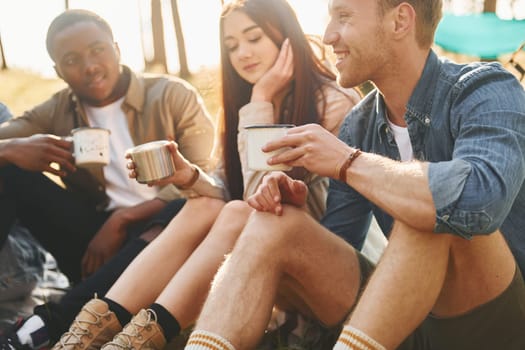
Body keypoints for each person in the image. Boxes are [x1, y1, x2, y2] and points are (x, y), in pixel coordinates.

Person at [182, 0, 525, 349]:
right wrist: (297, 222)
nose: (329, 35)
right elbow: (339, 246)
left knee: (426, 207)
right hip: (405, 321)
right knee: (274, 222)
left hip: (499, 322)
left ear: (400, 21)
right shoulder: (359, 124)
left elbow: (480, 200)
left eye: (343, 17)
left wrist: (348, 162)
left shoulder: (486, 89)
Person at [25, 1, 364, 350]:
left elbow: (260, 202)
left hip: (327, 270)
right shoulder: (243, 105)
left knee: (235, 211)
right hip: (270, 264)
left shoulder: (331, 102)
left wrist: (262, 100)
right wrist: (187, 175)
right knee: (202, 203)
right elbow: (226, 186)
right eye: (231, 46)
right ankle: (87, 338)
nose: (243, 53)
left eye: (254, 38)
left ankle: (130, 342)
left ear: (285, 37)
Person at [0, 8, 218, 350]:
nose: (89, 66)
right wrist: (11, 148)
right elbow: (6, 144)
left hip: (169, 236)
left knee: (184, 207)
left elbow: (210, 179)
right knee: (6, 169)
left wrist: (125, 217)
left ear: (116, 48)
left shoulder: (172, 95)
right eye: (72, 59)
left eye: (97, 50)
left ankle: (48, 325)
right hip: (94, 245)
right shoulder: (56, 110)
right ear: (58, 70)